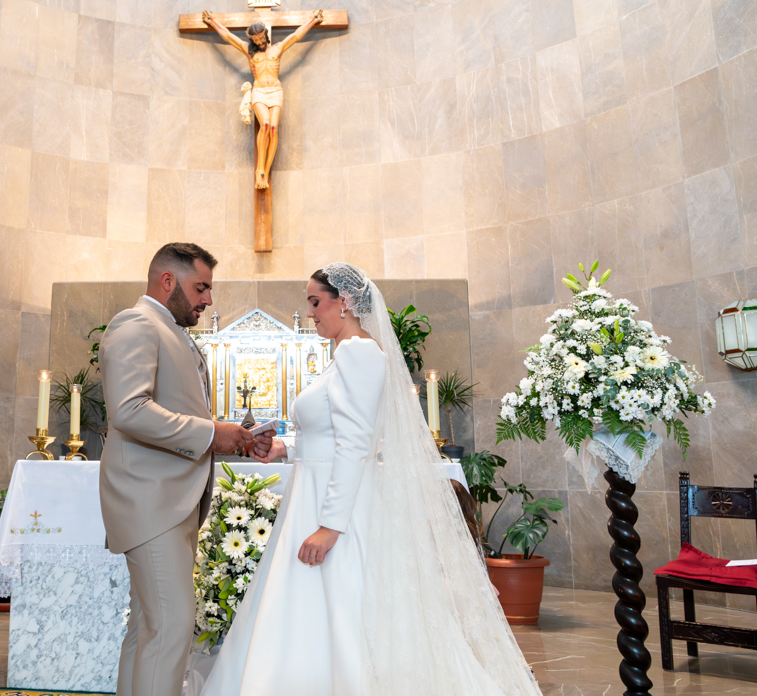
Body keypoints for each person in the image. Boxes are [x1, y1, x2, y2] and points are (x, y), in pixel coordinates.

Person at [200, 263, 539, 696]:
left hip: (334, 508)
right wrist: (285, 448)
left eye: (315, 302)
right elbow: (332, 436)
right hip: (315, 496)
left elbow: (356, 444)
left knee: (341, 611)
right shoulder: (343, 354)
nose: (310, 313)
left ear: (344, 302)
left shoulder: (358, 353)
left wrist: (330, 526)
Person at [98, 242, 274, 696]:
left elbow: (178, 412)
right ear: (167, 281)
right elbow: (129, 410)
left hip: (170, 499)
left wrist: (233, 437)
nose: (208, 299)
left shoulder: (170, 330)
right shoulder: (137, 323)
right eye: (201, 288)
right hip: (151, 500)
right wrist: (212, 433)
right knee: (170, 627)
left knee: (148, 628)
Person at [199, 9, 324, 190]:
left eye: (261, 38)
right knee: (264, 123)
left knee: (273, 128)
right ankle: (259, 169)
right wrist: (212, 22)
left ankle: (265, 169)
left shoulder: (277, 48)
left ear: (266, 34)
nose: (259, 42)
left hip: (275, 91)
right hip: (259, 91)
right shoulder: (249, 52)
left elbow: (296, 36)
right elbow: (228, 37)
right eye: (256, 40)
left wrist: (313, 20)